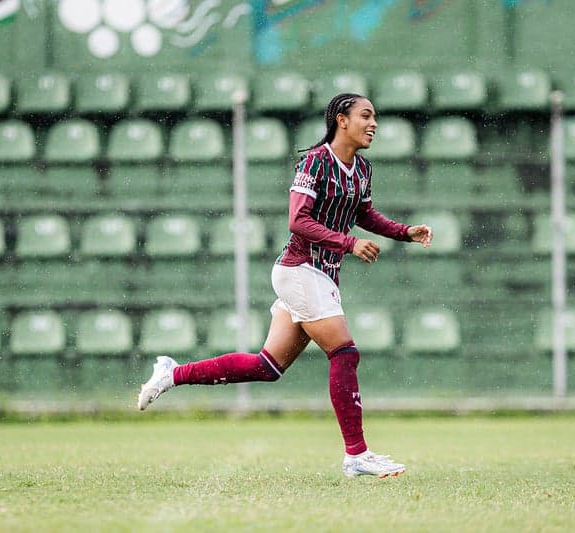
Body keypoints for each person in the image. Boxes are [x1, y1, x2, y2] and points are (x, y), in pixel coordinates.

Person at [137, 93, 433, 478]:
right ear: (341, 120)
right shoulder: (314, 162)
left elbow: (364, 214)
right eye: (366, 115)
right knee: (344, 354)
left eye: (374, 116)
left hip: (320, 273)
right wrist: (349, 242)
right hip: (300, 269)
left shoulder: (361, 169)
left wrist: (403, 232)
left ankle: (172, 373)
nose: (373, 123)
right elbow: (298, 221)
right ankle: (357, 454)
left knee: (267, 366)